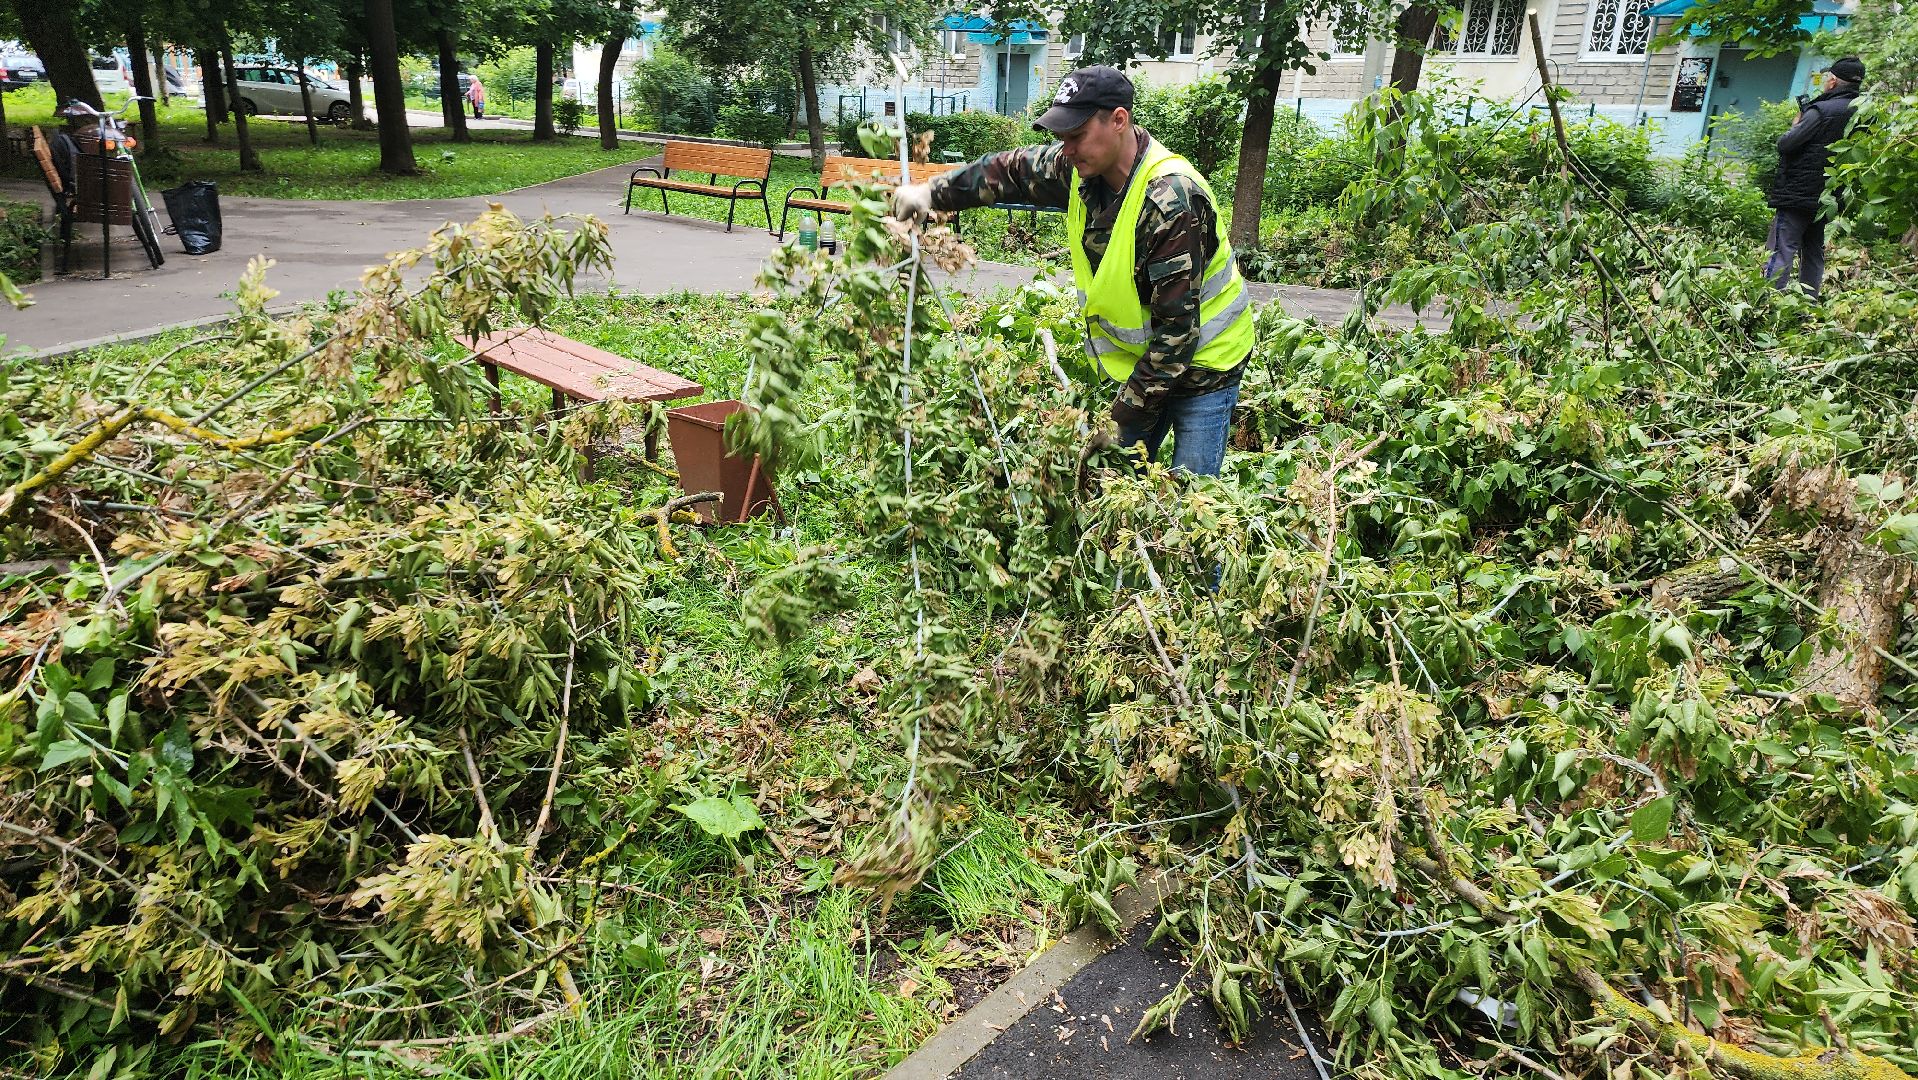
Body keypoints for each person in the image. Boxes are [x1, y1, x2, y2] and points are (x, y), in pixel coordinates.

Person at [891, 65, 1254, 477]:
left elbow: (1176, 338)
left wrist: (1117, 423)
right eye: (1061, 137)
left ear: (1119, 120)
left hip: (1206, 365)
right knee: (1113, 488)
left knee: (1192, 507)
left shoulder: (1170, 202)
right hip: (1147, 364)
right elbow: (1012, 171)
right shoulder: (1080, 169)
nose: (1066, 148)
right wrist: (929, 193)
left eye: (1076, 135)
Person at [1764, 56, 1863, 298]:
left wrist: (1795, 125)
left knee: (1782, 248)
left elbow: (1786, 145)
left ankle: (1769, 305)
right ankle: (1808, 306)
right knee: (1813, 251)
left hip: (1798, 193)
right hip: (1829, 196)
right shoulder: (1862, 112)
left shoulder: (1820, 111)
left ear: (1832, 81)